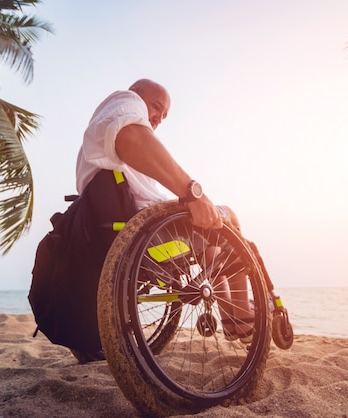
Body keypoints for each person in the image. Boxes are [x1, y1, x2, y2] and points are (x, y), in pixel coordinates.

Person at [73, 79, 253, 362]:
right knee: (228, 215)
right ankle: (239, 314)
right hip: (148, 234)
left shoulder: (96, 153)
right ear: (135, 93)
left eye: (164, 116)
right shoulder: (124, 102)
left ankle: (230, 307)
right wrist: (193, 193)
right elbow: (129, 134)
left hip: (118, 233)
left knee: (210, 237)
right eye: (155, 107)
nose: (157, 118)